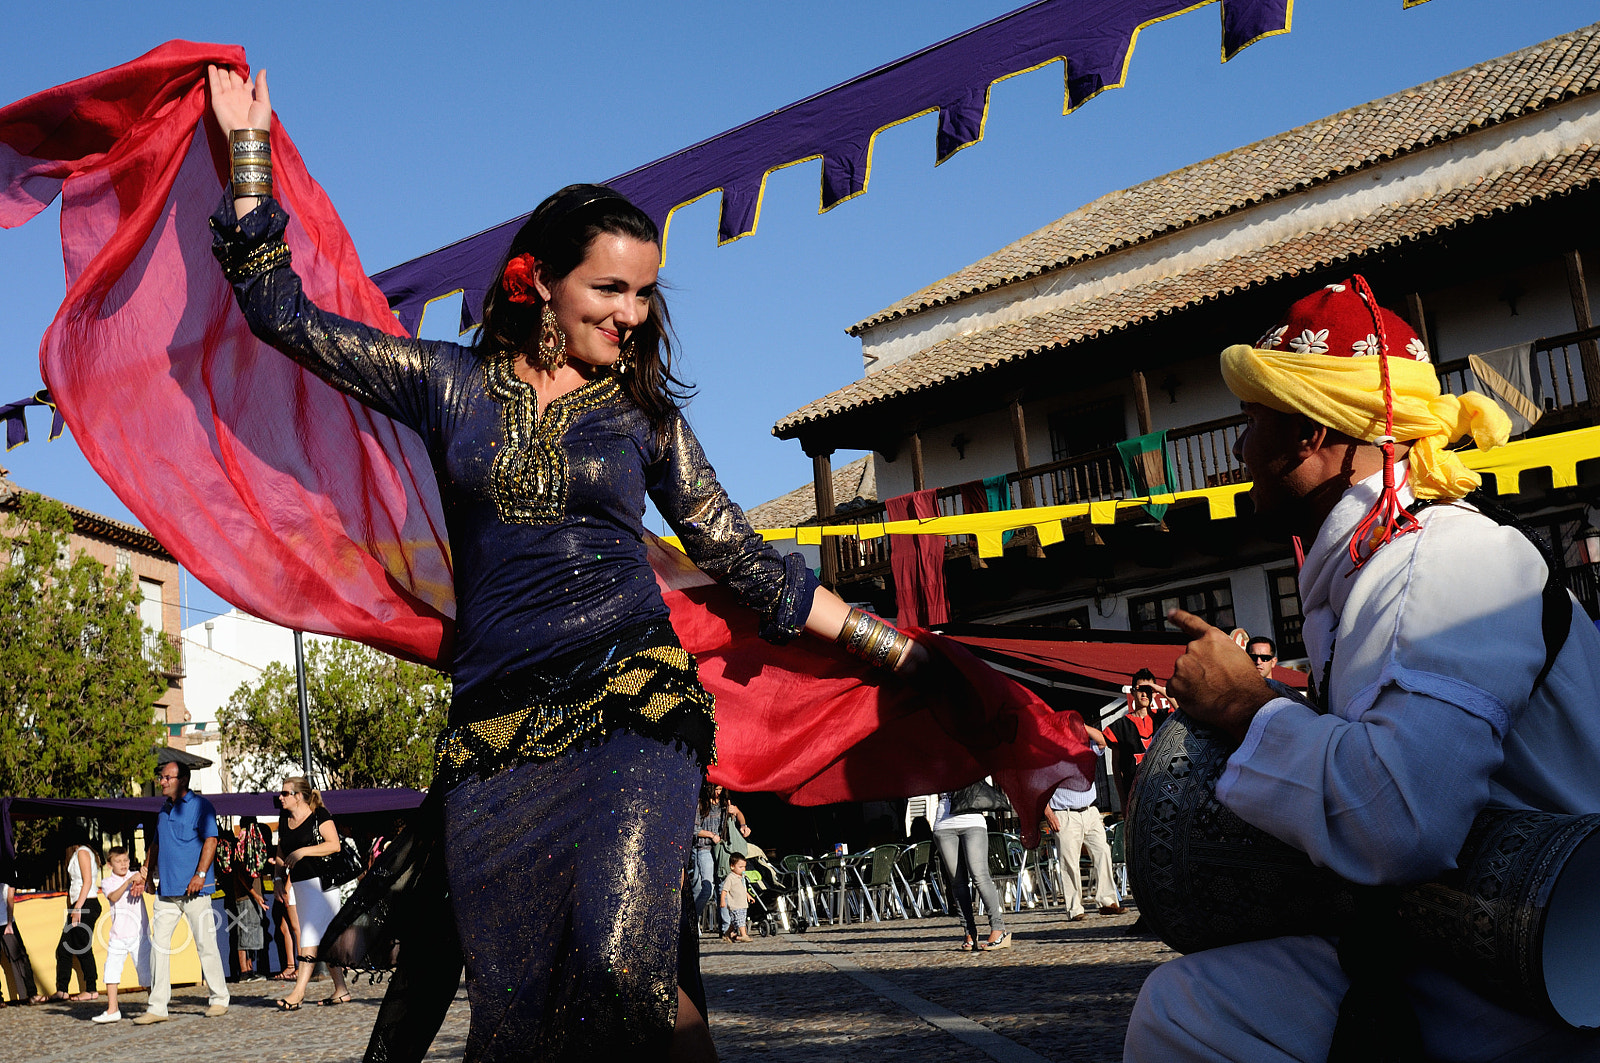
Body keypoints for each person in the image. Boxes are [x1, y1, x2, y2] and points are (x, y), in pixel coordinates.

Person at [204, 66, 928, 1062]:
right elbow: (280, 315)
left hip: (635, 700)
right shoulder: (447, 384)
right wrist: (248, 157)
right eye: (609, 287)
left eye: (643, 291)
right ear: (538, 278)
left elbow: (733, 550)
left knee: (622, 973)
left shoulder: (644, 419)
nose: (631, 312)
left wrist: (890, 645)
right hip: (495, 736)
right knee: (517, 1021)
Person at [1124, 277, 1600, 1061]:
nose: (1239, 452)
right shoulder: (1375, 567)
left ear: (1311, 434)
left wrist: (1249, 708)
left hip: (1549, 972)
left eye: (1251, 423)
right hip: (1468, 953)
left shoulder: (1442, 562)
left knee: (1188, 1010)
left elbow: (1400, 821)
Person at [135, 760, 229, 1024]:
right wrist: (147, 872)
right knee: (158, 947)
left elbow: (211, 840)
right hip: (166, 891)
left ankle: (219, 998)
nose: (162, 782)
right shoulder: (163, 810)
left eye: (167, 777)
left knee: (206, 945)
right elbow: (155, 844)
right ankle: (157, 1007)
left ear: (182, 780)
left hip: (195, 891)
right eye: (161, 777)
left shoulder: (201, 807)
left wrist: (200, 875)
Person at [271, 776, 351, 1010]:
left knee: (307, 936)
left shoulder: (320, 815)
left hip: (323, 885)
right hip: (301, 886)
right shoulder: (285, 819)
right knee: (325, 939)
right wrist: (277, 878)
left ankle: (298, 992)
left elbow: (334, 844)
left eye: (285, 793)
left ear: (299, 796)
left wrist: (303, 851)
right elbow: (280, 852)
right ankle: (341, 990)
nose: (281, 797)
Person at [1043, 727, 1124, 921]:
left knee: (1103, 851)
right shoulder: (1049, 755)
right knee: (1069, 861)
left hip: (1090, 811)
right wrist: (1048, 813)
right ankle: (1075, 909)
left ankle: (1107, 901)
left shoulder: (1085, 748)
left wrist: (1082, 725)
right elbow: (1039, 786)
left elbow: (1103, 741)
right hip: (1065, 814)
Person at [931, 788, 1009, 951]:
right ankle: (969, 932)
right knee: (957, 882)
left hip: (972, 821)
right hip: (944, 823)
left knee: (979, 876)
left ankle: (998, 928)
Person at [93, 846, 150, 1023]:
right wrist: (128, 882)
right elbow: (113, 897)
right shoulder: (107, 882)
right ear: (110, 865)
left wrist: (142, 878)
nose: (123, 864)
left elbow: (150, 888)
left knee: (146, 971)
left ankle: (155, 1005)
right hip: (118, 935)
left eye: (125, 860)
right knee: (111, 970)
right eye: (118, 861)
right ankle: (112, 1009)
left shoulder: (136, 875)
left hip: (139, 933)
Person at [1104, 670, 1169, 811]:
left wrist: (1159, 689)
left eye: (1149, 690)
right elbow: (1116, 767)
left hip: (1164, 794)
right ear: (1133, 692)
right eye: (1140, 690)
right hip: (1135, 797)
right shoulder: (1120, 726)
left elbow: (1183, 710)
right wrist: (1122, 800)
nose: (1145, 694)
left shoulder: (1163, 717)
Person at [50, 834, 100, 1001]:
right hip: (79, 905)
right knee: (64, 948)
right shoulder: (80, 853)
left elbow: (87, 882)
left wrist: (77, 907)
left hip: (85, 905)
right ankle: (62, 989)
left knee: (82, 946)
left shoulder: (82, 852)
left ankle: (91, 989)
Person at [0, 880, 41, 1004]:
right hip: (4, 920)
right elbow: (10, 898)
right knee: (20, 958)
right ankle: (31, 994)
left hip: (4, 919)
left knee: (19, 958)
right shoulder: (8, 868)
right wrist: (9, 923)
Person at [719, 855, 751, 943]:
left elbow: (743, 888)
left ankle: (727, 934)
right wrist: (722, 900)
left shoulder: (741, 878)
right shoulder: (730, 878)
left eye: (744, 867)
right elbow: (724, 890)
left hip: (742, 903)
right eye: (740, 867)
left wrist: (748, 895)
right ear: (732, 866)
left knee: (735, 922)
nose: (743, 869)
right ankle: (743, 935)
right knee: (740, 920)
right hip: (735, 905)